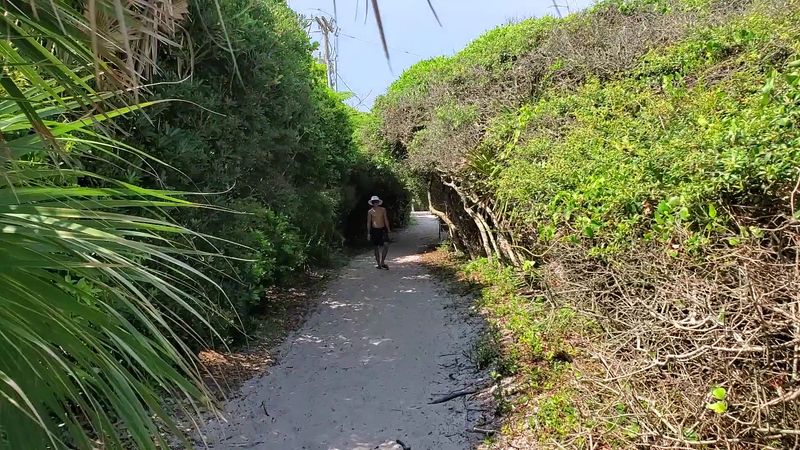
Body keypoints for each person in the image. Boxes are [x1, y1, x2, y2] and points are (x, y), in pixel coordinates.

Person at [367, 195, 391, 269]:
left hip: (383, 229)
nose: (375, 203)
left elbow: (385, 219)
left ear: (378, 202)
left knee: (386, 245)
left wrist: (388, 228)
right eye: (374, 202)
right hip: (375, 230)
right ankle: (378, 264)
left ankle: (382, 261)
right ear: (372, 203)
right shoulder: (370, 212)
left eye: (376, 202)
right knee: (376, 247)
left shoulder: (383, 210)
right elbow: (368, 222)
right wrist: (368, 233)